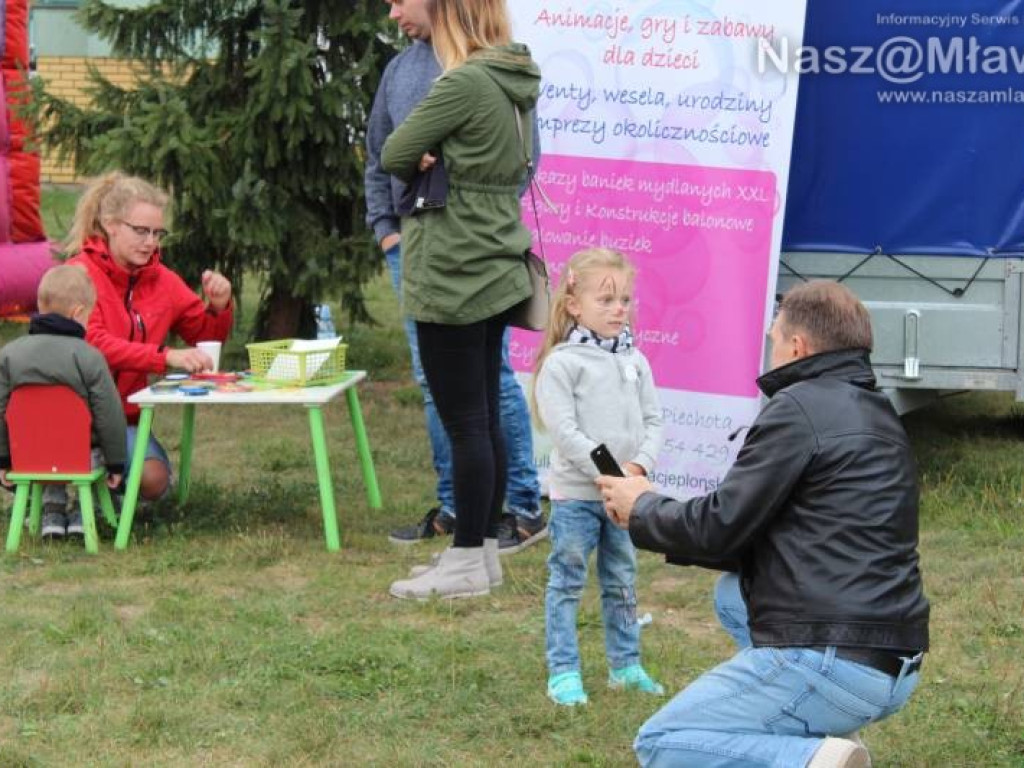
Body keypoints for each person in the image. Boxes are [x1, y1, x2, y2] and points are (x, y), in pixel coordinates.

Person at [597, 281, 930, 768]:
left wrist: (643, 506)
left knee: (665, 740)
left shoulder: (797, 408)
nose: (771, 351)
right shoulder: (882, 414)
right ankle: (813, 724)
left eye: (774, 338)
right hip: (896, 659)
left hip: (836, 657)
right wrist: (646, 509)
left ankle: (814, 758)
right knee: (732, 595)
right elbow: (743, 532)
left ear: (797, 346)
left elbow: (718, 526)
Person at [366, 0, 546, 555]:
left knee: (476, 404)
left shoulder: (467, 78)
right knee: (453, 393)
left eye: (402, 0)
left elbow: (401, 150)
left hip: (454, 259)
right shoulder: (418, 71)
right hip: (433, 247)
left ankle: (506, 517)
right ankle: (465, 516)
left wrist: (429, 157)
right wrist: (388, 231)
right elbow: (382, 155)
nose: (393, 12)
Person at [533, 248, 664, 706]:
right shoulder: (562, 364)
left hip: (624, 498)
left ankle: (625, 665)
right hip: (578, 498)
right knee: (567, 581)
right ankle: (564, 672)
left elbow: (654, 421)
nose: (618, 310)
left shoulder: (637, 361)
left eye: (625, 300)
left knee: (622, 580)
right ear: (574, 305)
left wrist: (638, 469)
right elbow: (566, 432)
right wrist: (611, 475)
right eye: (606, 300)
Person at [65, 172, 233, 505]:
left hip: (123, 421)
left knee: (155, 483)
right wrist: (164, 356)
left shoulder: (163, 281)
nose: (151, 242)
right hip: (71, 414)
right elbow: (91, 343)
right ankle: (83, 494)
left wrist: (219, 306)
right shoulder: (78, 274)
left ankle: (106, 497)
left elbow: (204, 338)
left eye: (157, 233)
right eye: (141, 231)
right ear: (111, 224)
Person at [0, 265, 126, 537]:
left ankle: (52, 513)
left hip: (28, 457)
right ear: (78, 313)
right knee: (84, 448)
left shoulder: (9, 355)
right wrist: (116, 462)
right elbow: (109, 414)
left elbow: (0, 410)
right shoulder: (89, 357)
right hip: (81, 457)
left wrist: (3, 458)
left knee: (46, 443)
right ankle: (84, 512)